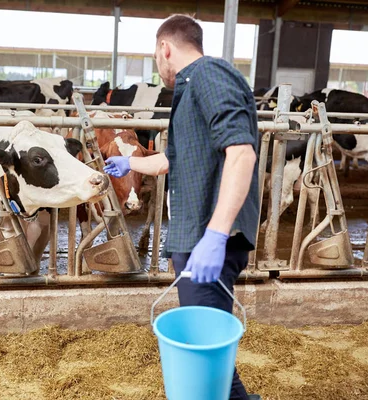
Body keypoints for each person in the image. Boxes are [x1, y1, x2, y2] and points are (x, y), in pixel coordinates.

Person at [103, 14, 261, 400]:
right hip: (196, 234)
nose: (158, 66)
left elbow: (241, 152)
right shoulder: (192, 88)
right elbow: (171, 159)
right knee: (209, 348)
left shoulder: (208, 75)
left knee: (206, 354)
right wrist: (130, 163)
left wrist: (216, 234)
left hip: (209, 236)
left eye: (155, 57)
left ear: (165, 48)